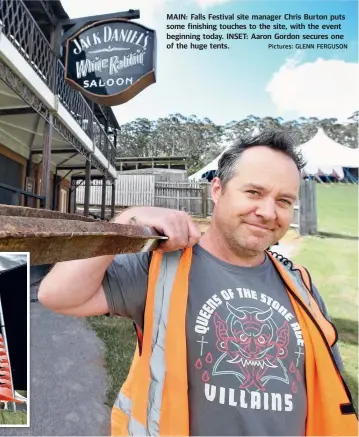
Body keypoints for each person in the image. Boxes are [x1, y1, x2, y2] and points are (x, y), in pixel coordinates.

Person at [38, 130, 357, 436]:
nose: (268, 212)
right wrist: (124, 222)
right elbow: (59, 295)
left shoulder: (301, 285)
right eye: (254, 193)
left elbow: (325, 385)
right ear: (217, 190)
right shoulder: (162, 267)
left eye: (284, 200)